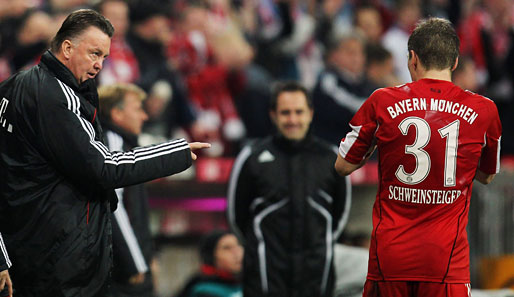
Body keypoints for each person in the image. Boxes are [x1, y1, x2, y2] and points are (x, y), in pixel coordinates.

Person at [0, 9, 209, 297]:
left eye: (104, 57)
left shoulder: (15, 84)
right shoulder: (56, 96)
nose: (99, 65)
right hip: (51, 260)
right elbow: (104, 166)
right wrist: (177, 152)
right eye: (94, 53)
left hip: (32, 250)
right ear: (67, 48)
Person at [335, 17, 502, 297]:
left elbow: (343, 165)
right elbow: (486, 175)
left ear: (412, 58)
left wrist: (381, 145)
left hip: (390, 258)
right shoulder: (484, 110)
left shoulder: (382, 101)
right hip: (446, 263)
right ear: (455, 62)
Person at [228, 81, 351, 297]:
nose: (292, 120)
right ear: (273, 115)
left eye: (298, 112)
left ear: (311, 113)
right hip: (265, 280)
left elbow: (339, 217)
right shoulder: (252, 158)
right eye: (285, 113)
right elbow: (237, 218)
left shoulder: (332, 158)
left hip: (316, 278)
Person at [98, 83, 155, 297]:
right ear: (117, 113)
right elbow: (115, 205)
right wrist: (135, 262)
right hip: (122, 272)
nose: (144, 116)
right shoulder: (114, 142)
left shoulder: (125, 144)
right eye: (138, 108)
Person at [175, 230, 244, 297]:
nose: (236, 253)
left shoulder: (240, 283)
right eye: (227, 248)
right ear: (211, 255)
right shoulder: (203, 290)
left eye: (238, 245)